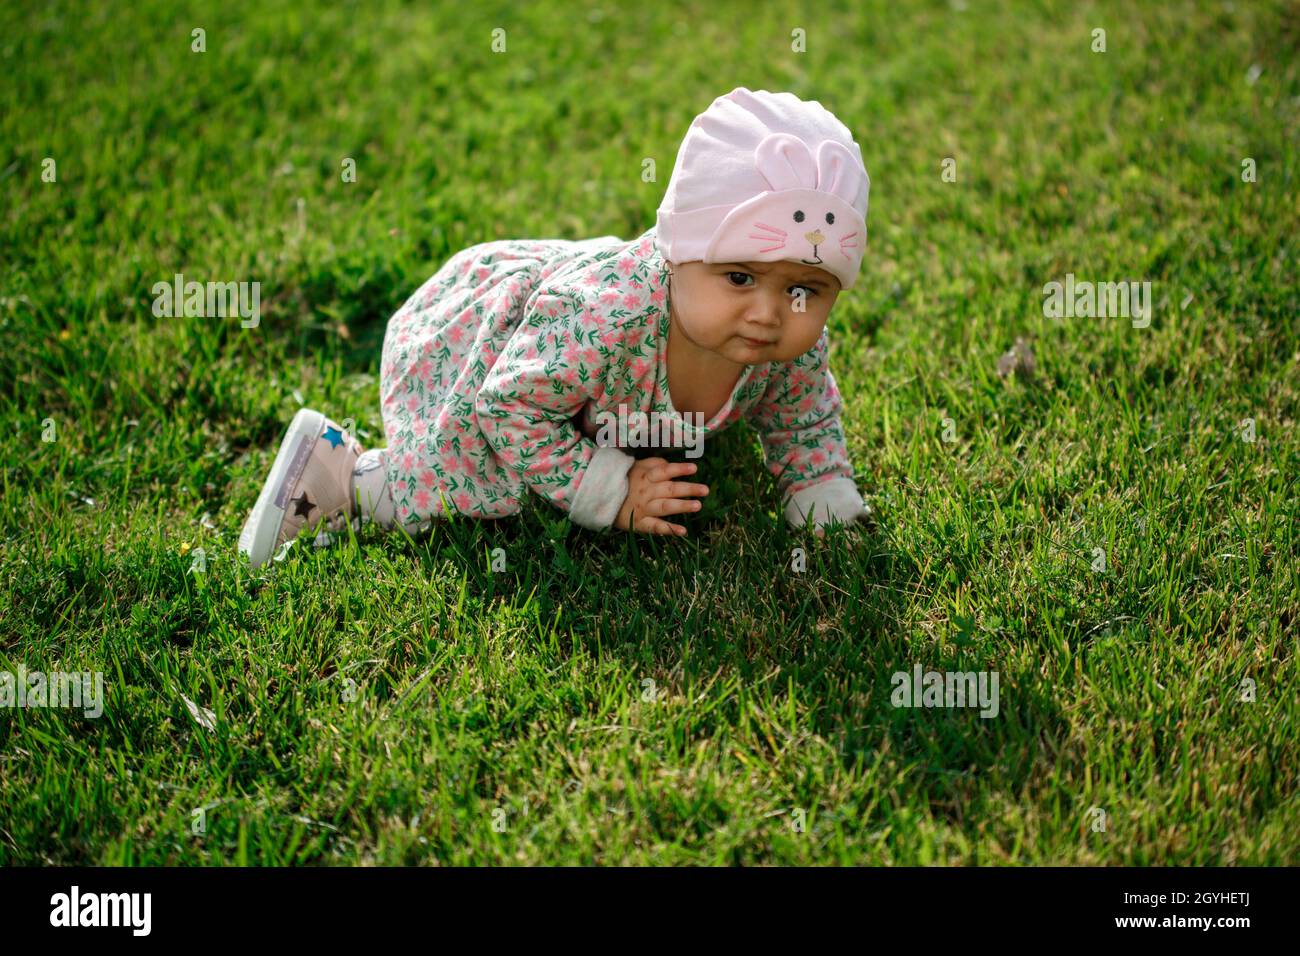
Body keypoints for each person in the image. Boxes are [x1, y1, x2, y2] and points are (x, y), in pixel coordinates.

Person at [239, 87, 872, 569]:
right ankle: (342, 473)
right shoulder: (607, 314)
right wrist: (610, 489)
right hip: (500, 348)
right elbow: (509, 405)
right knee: (474, 473)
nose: (768, 313)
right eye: (738, 277)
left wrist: (818, 485)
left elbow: (802, 413)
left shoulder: (793, 342)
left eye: (802, 289)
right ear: (679, 253)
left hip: (590, 390)